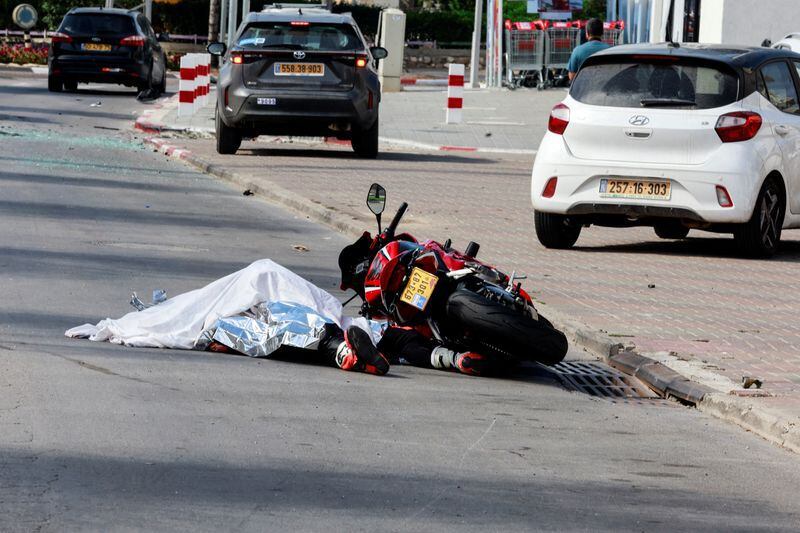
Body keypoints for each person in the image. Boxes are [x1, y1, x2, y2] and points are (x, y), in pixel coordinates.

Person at [567, 18, 610, 82]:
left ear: (587, 34)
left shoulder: (577, 51)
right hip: (604, 87)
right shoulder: (610, 50)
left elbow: (572, 76)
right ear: (602, 33)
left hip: (584, 89)